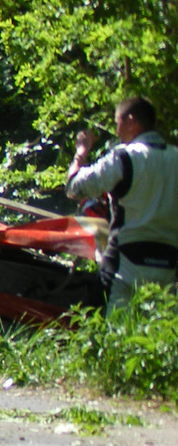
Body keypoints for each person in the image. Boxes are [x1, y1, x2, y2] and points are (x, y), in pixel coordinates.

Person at [65, 95, 178, 310]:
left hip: (125, 262)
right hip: (169, 265)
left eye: (118, 123)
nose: (117, 131)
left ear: (131, 120)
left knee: (114, 330)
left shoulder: (124, 158)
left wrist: (81, 153)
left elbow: (75, 187)